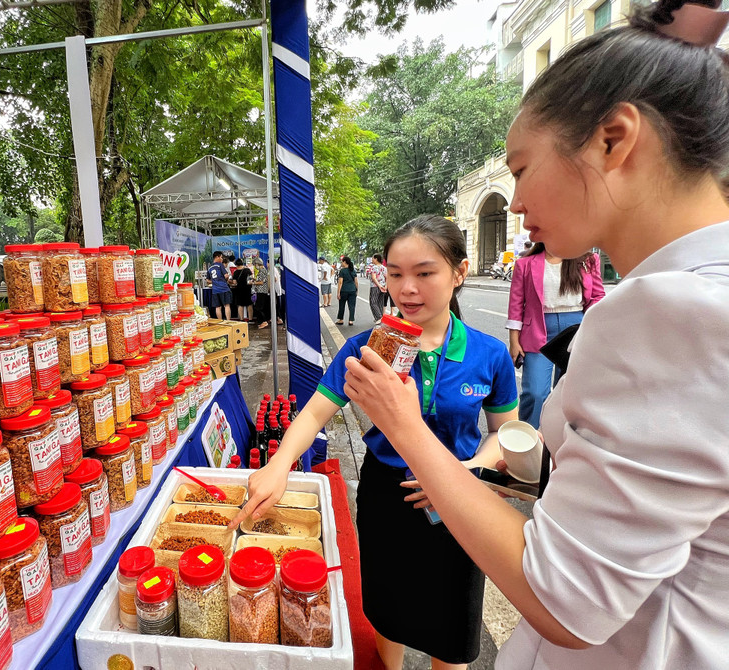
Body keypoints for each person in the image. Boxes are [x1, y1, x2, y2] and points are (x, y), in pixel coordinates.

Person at [339, 2, 729, 667]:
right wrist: (485, 466)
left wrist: (406, 428)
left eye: (521, 169)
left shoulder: (676, 311)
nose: (514, 202)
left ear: (614, 138)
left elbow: (568, 600)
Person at [232, 216, 518, 670]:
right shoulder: (365, 349)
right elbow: (314, 413)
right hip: (386, 495)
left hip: (461, 500)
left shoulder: (489, 353)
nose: (407, 288)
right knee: (388, 611)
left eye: (425, 273)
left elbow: (506, 434)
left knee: (453, 628)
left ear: (459, 273)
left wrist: (465, 473)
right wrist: (280, 464)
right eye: (395, 273)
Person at [506, 243, 605, 427]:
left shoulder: (587, 260)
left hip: (576, 329)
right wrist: (514, 340)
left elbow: (598, 295)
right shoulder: (525, 264)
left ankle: (561, 441)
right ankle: (529, 442)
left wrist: (590, 324)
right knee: (535, 393)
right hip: (537, 330)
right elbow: (516, 304)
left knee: (569, 393)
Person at [206, 250, 232, 320]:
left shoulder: (210, 268)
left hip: (215, 290)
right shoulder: (220, 265)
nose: (222, 259)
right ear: (217, 257)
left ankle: (220, 322)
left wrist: (214, 281)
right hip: (224, 288)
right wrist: (225, 280)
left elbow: (207, 280)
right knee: (226, 305)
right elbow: (226, 276)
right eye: (221, 257)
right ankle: (228, 321)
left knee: (218, 307)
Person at [335, 256, 358, 326]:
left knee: (342, 305)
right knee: (352, 306)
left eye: (342, 262)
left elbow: (340, 282)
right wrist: (356, 290)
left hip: (344, 290)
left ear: (345, 262)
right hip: (352, 290)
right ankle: (351, 320)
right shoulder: (353, 271)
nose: (341, 263)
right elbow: (356, 282)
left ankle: (341, 319)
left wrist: (338, 292)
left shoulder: (342, 271)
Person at [368, 253, 389, 323]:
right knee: (380, 302)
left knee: (373, 302)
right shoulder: (384, 268)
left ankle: (379, 317)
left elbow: (374, 278)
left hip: (375, 287)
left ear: (376, 259)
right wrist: (385, 286)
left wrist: (379, 285)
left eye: (373, 258)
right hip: (383, 287)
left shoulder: (374, 267)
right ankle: (381, 317)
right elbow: (387, 278)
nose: (372, 260)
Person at [252, 257, 271, 328]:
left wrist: (253, 282)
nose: (255, 266)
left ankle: (263, 321)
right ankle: (263, 321)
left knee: (258, 308)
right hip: (263, 291)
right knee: (261, 307)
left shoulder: (262, 270)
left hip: (261, 291)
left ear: (257, 264)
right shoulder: (263, 270)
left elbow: (261, 282)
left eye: (255, 264)